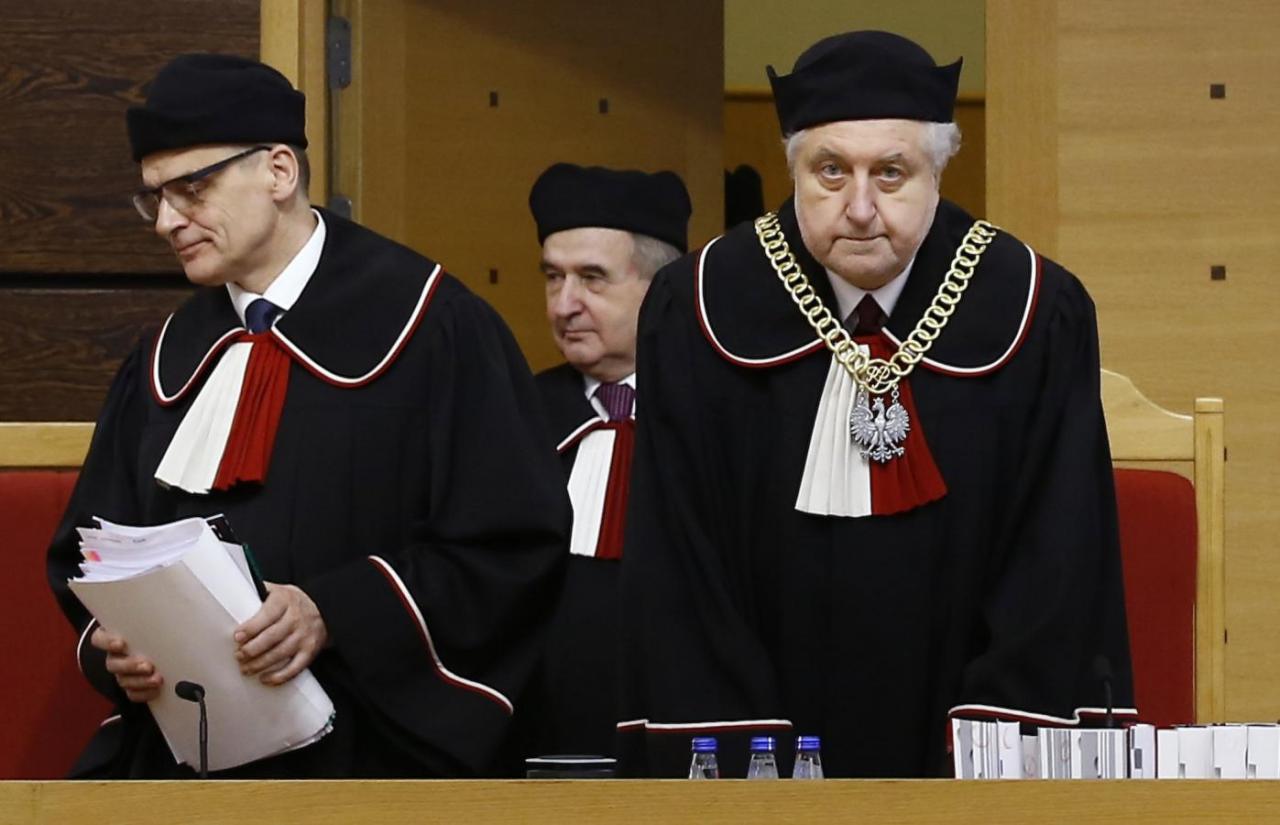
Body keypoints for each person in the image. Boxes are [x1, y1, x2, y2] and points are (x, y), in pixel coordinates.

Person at [617, 31, 1135, 778]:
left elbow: (1057, 560)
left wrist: (989, 752)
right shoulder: (695, 307)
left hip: (963, 752)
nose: (859, 207)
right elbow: (681, 559)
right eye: (830, 171)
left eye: (891, 173)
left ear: (939, 170)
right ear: (791, 167)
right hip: (763, 755)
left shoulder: (1037, 307)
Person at [45, 54, 569, 778]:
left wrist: (335, 609)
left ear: (280, 172)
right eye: (153, 198)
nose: (168, 220)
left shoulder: (435, 327)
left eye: (191, 188)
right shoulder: (163, 355)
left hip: (371, 744)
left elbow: (512, 548)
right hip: (188, 751)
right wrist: (118, 643)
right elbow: (87, 551)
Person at [521, 163, 690, 759]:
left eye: (593, 279)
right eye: (552, 277)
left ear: (661, 286)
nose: (565, 304)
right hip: (537, 738)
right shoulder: (514, 413)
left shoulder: (713, 416)